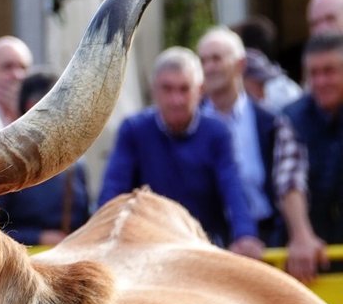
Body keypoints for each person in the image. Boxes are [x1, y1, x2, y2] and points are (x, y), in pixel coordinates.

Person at [98, 47, 262, 257]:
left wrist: (245, 235)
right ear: (154, 89)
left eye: (184, 89)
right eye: (167, 89)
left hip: (205, 247)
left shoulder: (217, 132)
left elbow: (233, 188)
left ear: (200, 90)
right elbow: (113, 190)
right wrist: (102, 234)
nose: (176, 99)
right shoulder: (134, 130)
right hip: (146, 250)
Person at [196, 27, 322, 278]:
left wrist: (299, 235)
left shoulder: (272, 122)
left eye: (217, 58)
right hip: (207, 243)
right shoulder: (189, 124)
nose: (209, 67)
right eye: (203, 60)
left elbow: (289, 181)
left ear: (240, 64)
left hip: (267, 243)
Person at [0, 68, 90, 246]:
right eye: (62, 101)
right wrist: (38, 238)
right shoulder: (6, 164)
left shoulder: (77, 165)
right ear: (33, 106)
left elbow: (84, 221)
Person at [283, 33, 343, 255]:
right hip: (309, 257)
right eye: (313, 73)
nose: (320, 82)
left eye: (329, 71)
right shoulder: (291, 118)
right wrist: (301, 236)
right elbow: (290, 179)